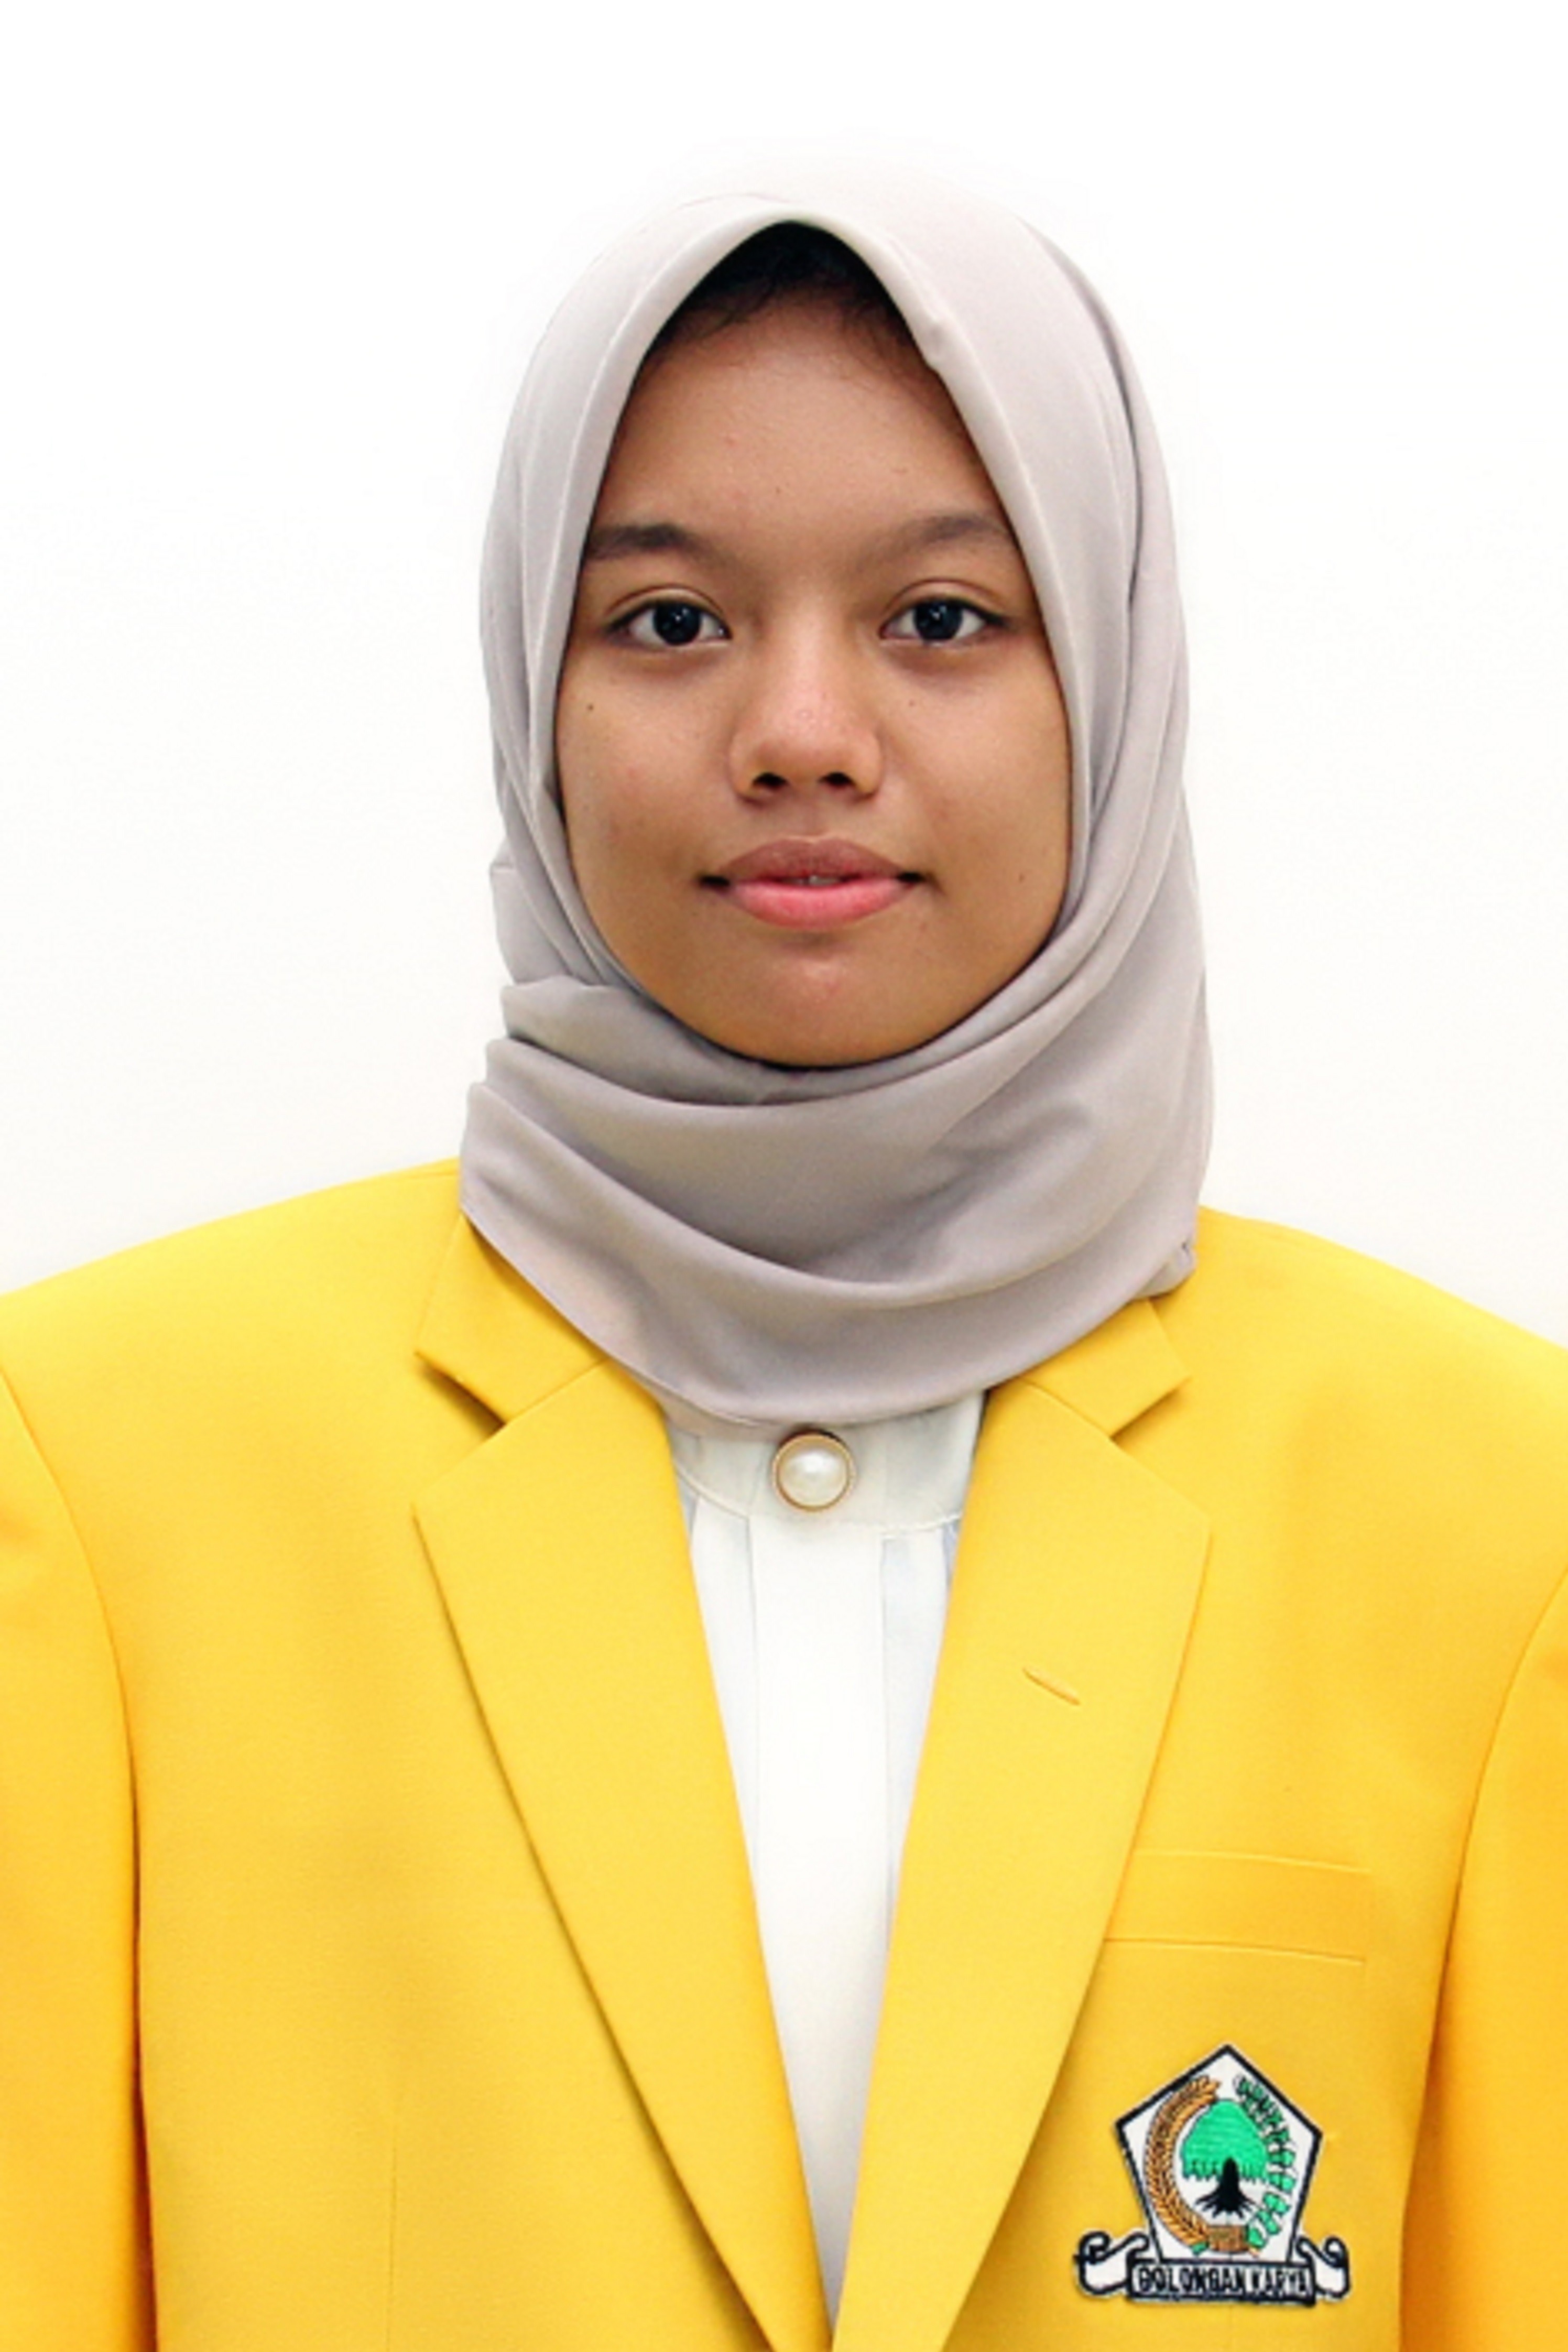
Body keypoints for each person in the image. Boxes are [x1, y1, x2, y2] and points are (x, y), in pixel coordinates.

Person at [1, 165, 1564, 2352]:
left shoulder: (1490, 1510)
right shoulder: (104, 1472)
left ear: (1113, 688)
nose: (801, 732)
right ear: (530, 697)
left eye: (942, 619)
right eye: (668, 623)